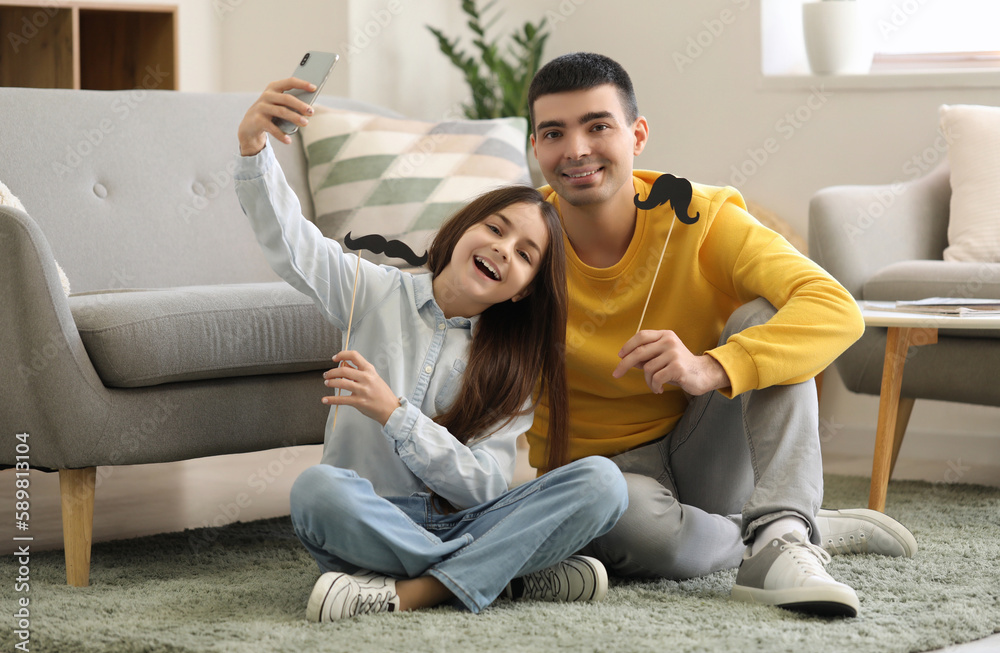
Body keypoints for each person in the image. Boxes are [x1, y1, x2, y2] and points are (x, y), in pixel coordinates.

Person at [523, 53, 917, 617]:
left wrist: (716, 365)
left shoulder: (701, 219)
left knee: (763, 318)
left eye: (598, 126)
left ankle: (781, 534)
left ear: (637, 135)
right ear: (536, 147)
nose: (576, 149)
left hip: (706, 451)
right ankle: (796, 531)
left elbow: (836, 307)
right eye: (554, 132)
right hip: (601, 479)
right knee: (635, 529)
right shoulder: (522, 238)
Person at [233, 78, 629, 622]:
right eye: (495, 227)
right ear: (463, 228)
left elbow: (484, 488)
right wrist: (254, 150)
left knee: (603, 482)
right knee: (316, 491)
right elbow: (292, 244)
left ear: (525, 289)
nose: (501, 248)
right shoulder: (369, 291)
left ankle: (414, 592)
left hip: (465, 522)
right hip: (367, 520)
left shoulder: (514, 365)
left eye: (524, 253)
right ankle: (505, 574)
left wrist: (393, 415)